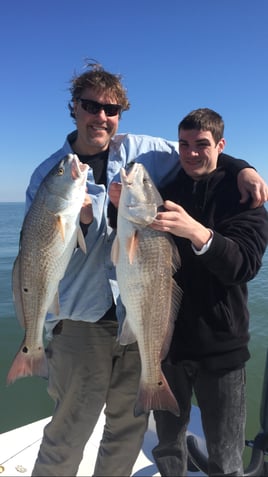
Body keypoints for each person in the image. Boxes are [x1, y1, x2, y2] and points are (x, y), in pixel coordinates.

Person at [26, 61, 268, 477]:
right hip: (84, 322)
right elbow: (38, 253)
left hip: (140, 319)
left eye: (112, 109)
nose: (101, 116)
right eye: (90, 106)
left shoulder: (144, 153)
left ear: (120, 114)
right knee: (68, 433)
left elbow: (202, 154)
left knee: (127, 432)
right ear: (74, 108)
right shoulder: (50, 175)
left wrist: (244, 168)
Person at [150, 108, 268, 477]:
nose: (191, 153)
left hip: (222, 349)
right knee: (168, 446)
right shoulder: (165, 191)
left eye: (202, 144)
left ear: (221, 145)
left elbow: (243, 265)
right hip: (167, 346)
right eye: (184, 144)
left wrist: (197, 232)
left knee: (226, 455)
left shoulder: (243, 195)